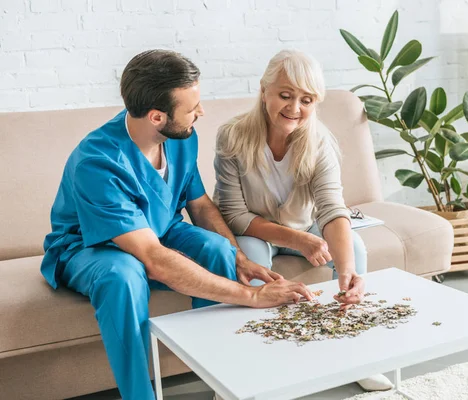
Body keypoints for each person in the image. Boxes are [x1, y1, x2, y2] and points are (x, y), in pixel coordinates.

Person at [40, 49, 313, 400]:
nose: (201, 112)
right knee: (122, 276)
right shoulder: (97, 162)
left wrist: (239, 258)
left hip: (160, 230)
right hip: (90, 246)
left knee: (217, 249)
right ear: (157, 116)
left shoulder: (181, 137)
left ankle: (225, 380)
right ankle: (139, 395)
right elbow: (152, 257)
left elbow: (199, 205)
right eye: (192, 108)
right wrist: (253, 296)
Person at [213, 49, 394, 392]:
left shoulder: (320, 142)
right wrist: (296, 240)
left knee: (353, 246)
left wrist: (347, 271)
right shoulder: (232, 136)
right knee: (250, 265)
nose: (294, 108)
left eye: (306, 100)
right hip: (255, 228)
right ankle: (250, 367)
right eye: (285, 95)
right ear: (263, 90)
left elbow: (331, 209)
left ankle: (357, 356)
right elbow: (234, 215)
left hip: (305, 223)